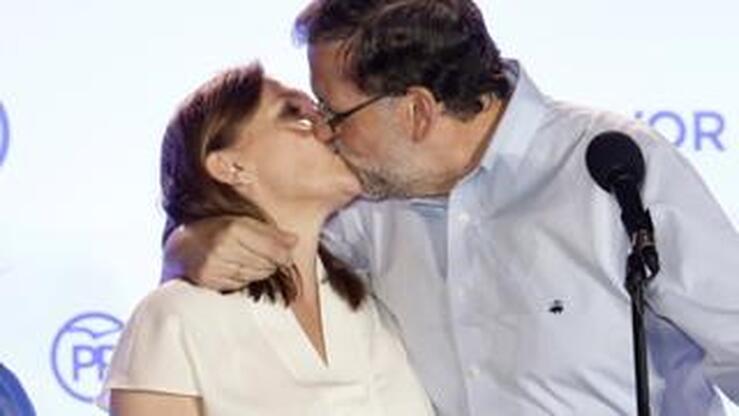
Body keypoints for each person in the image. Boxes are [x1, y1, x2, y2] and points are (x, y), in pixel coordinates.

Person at [164, 1, 739, 415]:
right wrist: (187, 242)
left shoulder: (611, 168)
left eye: (334, 113)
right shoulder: (364, 203)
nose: (327, 133)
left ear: (416, 111)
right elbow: (253, 239)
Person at [101, 64, 434, 416]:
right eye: (295, 115)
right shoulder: (175, 317)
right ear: (231, 166)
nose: (328, 129)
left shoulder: (370, 305)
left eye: (323, 112)